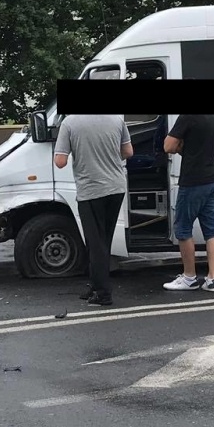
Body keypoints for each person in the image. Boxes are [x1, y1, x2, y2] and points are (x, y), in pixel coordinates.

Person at [54, 112, 133, 307]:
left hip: (91, 191)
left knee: (95, 243)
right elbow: (128, 152)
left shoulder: (70, 122)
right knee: (102, 240)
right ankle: (95, 284)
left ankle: (103, 293)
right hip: (116, 187)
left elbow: (60, 161)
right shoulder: (116, 120)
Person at [162, 112, 214, 292]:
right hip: (212, 178)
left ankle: (189, 277)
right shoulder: (211, 117)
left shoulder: (187, 117)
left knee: (183, 228)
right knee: (212, 230)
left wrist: (181, 147)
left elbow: (168, 146)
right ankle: (213, 279)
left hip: (193, 181)